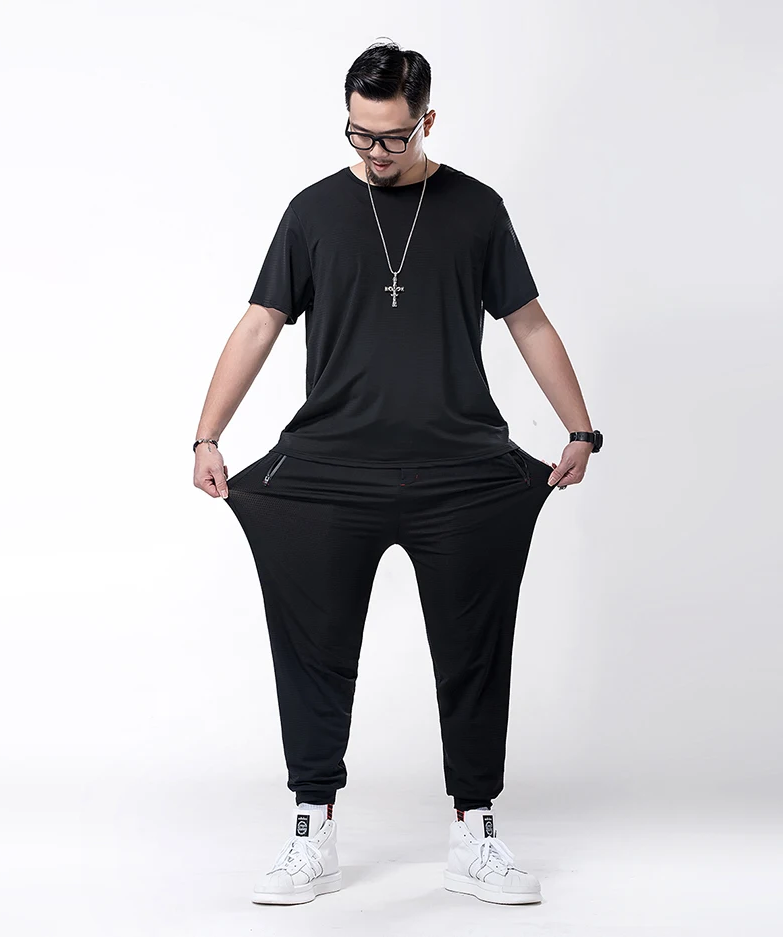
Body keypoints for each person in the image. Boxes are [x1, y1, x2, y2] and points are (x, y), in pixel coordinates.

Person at [192, 40, 602, 907]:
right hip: (330, 469)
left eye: (393, 136)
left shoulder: (477, 209)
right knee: (313, 648)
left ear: (427, 120)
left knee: (474, 648)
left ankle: (475, 829)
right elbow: (261, 321)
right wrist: (207, 435)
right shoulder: (312, 211)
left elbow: (528, 321)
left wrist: (579, 426)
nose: (375, 152)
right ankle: (311, 825)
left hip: (461, 470)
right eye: (360, 134)